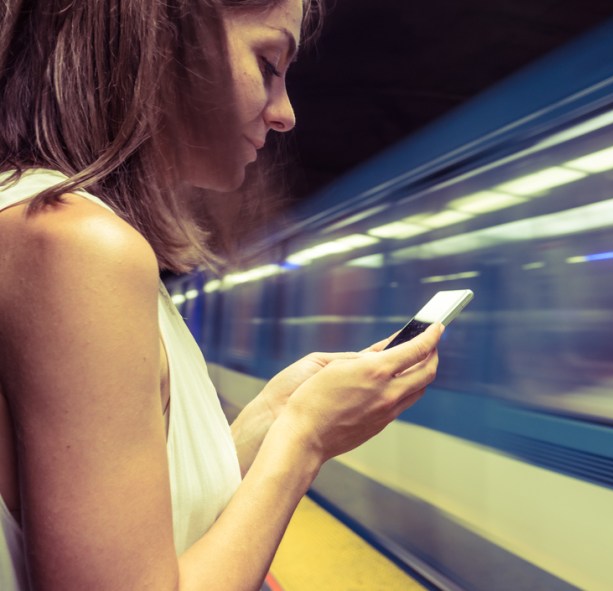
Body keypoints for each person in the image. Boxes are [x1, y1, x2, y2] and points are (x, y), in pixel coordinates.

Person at [0, 1, 442, 589]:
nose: (285, 114)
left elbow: (146, 521)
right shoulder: (76, 243)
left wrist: (272, 413)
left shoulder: (43, 218)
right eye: (268, 64)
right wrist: (304, 440)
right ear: (164, 39)